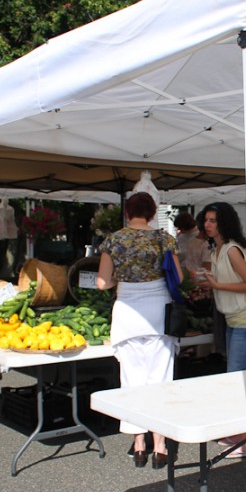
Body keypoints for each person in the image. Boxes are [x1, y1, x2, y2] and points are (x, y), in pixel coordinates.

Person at [96, 192, 183, 470]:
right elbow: (178, 278)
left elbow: (102, 282)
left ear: (127, 212)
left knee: (132, 381)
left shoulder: (114, 239)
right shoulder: (164, 239)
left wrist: (120, 281)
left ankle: (139, 445)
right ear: (152, 212)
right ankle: (160, 446)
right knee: (160, 380)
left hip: (127, 315)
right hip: (159, 313)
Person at [201, 202, 246, 458]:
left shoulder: (232, 249)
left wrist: (217, 285)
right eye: (206, 220)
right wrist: (212, 284)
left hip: (244, 319)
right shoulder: (218, 249)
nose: (207, 224)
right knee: (235, 376)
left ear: (224, 222)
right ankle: (240, 433)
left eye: (212, 220)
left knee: (236, 377)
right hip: (233, 319)